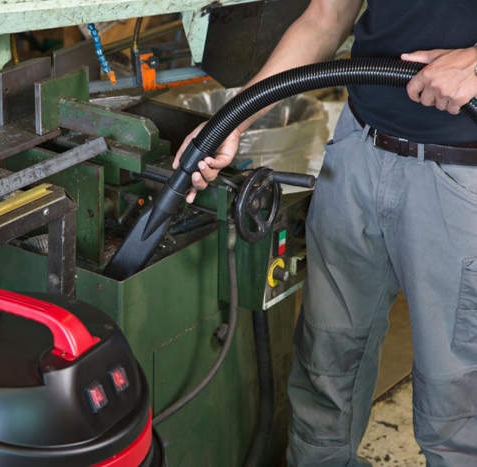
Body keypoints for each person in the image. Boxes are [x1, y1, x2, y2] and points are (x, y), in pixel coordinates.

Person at [174, 0, 477, 465]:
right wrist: (233, 120)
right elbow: (325, 17)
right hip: (358, 150)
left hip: (462, 172)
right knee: (325, 366)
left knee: (457, 405)